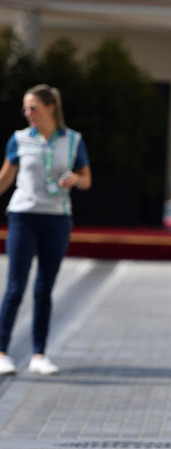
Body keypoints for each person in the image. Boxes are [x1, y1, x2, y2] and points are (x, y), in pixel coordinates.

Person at [0, 84, 92, 377]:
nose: (28, 113)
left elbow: (87, 179)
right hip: (23, 216)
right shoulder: (19, 139)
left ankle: (39, 354)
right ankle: (2, 352)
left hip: (57, 220)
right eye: (25, 108)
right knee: (15, 287)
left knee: (45, 289)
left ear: (50, 107)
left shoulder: (74, 140)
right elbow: (5, 177)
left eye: (33, 107)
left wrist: (75, 180)